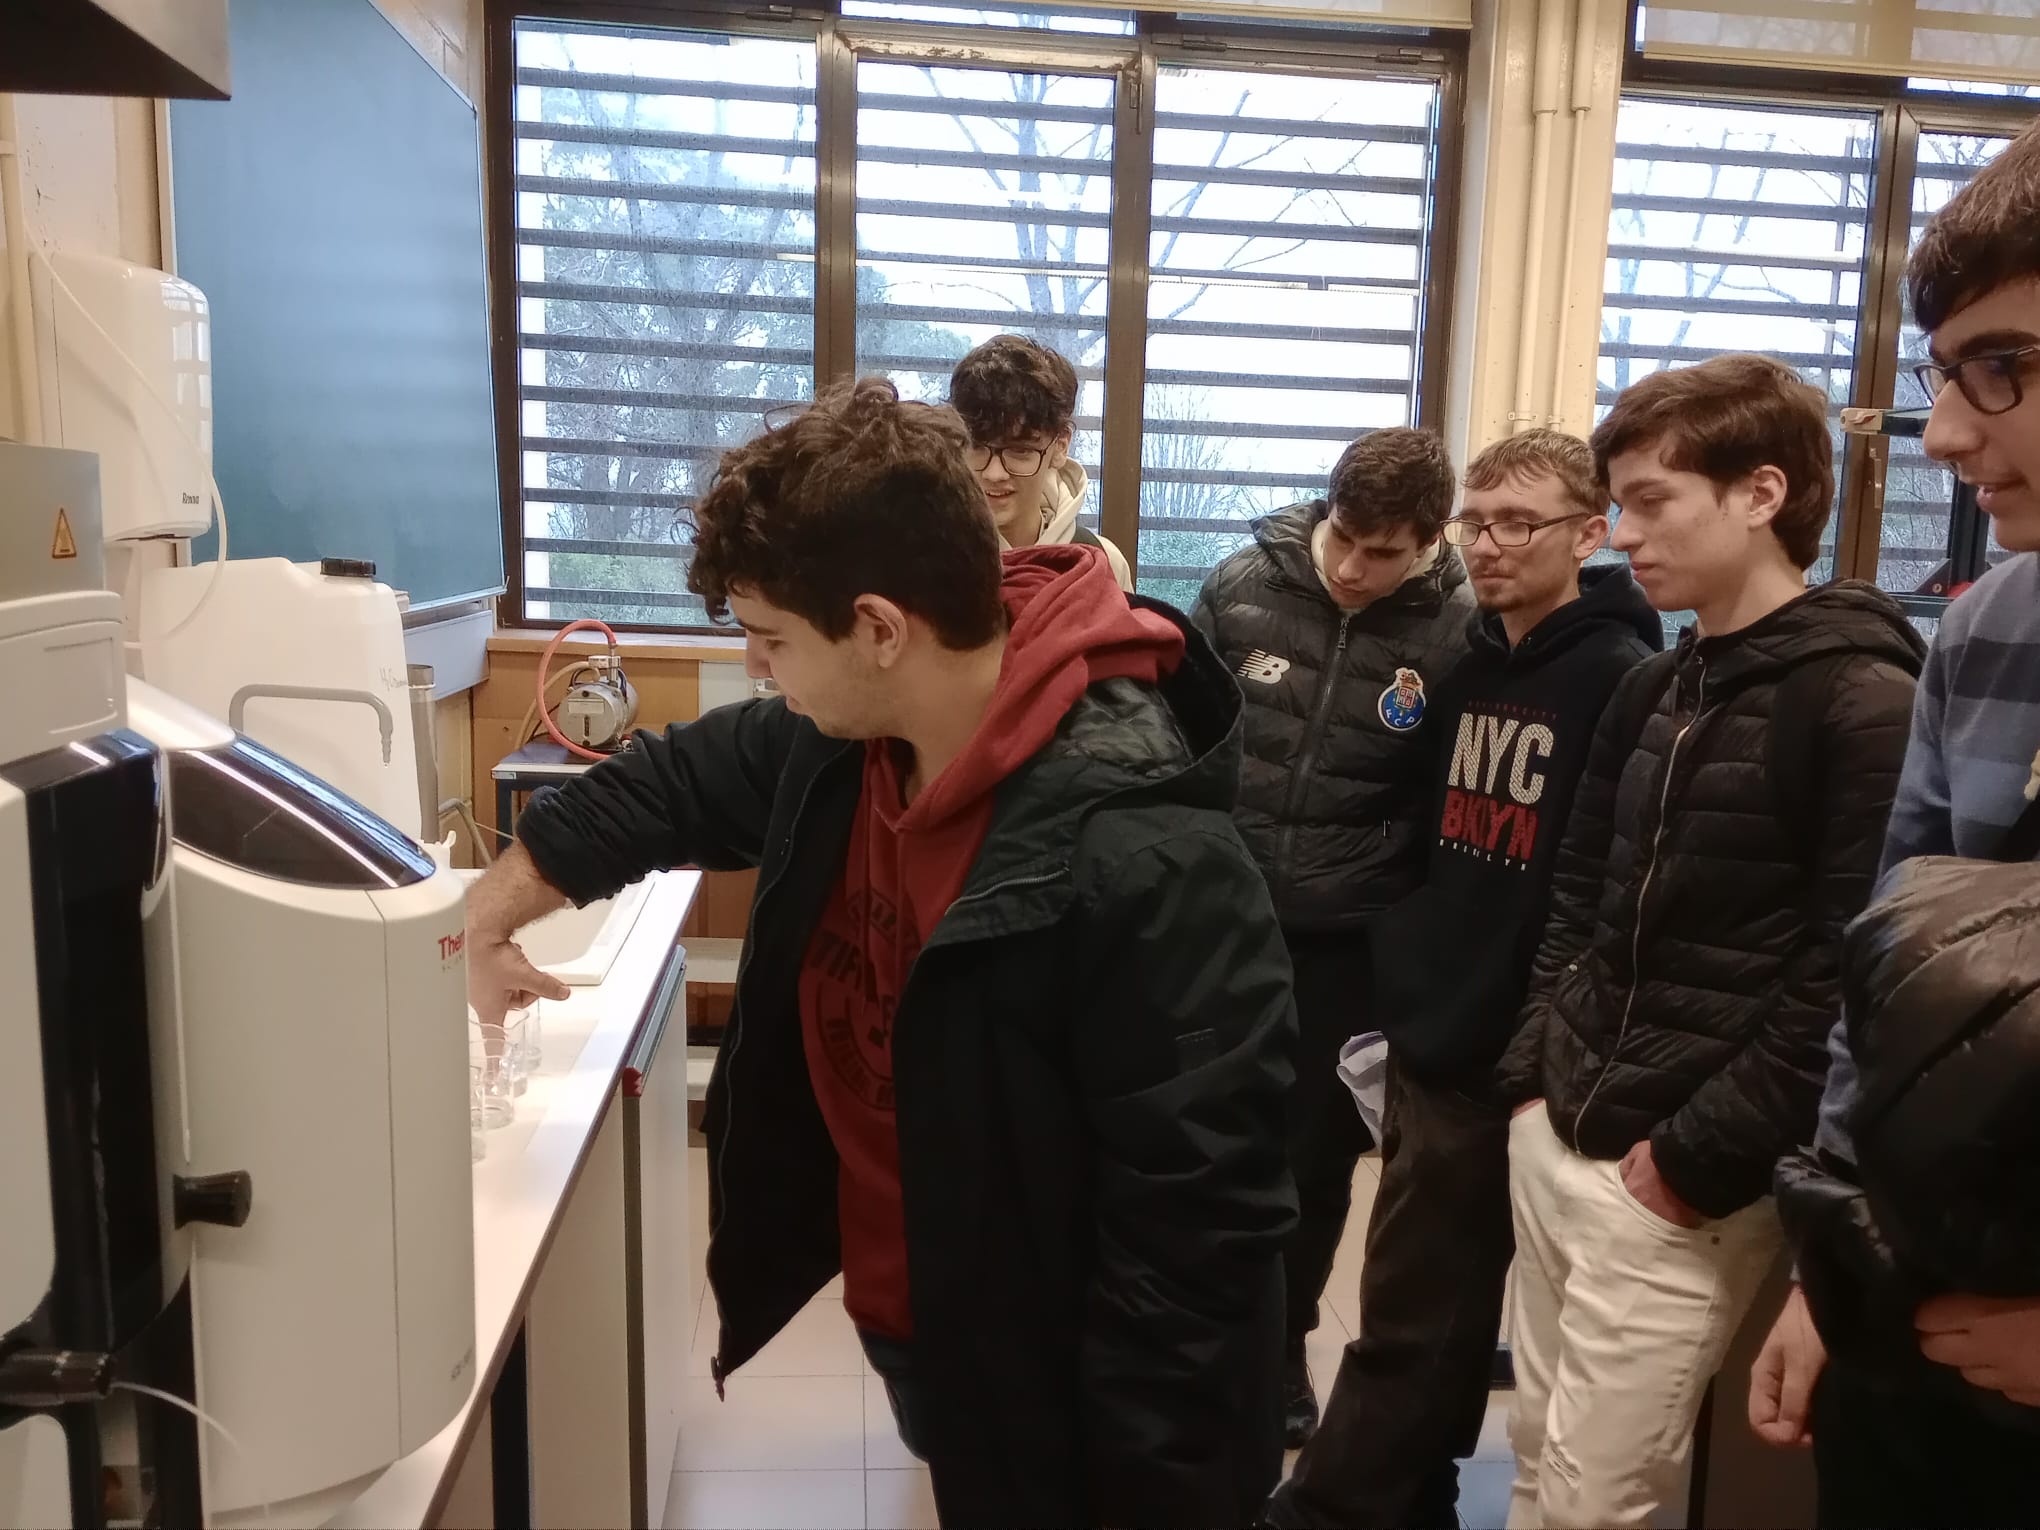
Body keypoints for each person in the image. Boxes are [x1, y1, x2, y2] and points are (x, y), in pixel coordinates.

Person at [464, 379, 1298, 1528]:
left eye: (771, 641)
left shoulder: (1149, 859)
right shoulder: (846, 739)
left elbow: (1198, 1249)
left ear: (879, 629)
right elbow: (673, 783)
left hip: (1063, 1387)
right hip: (930, 1318)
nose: (760, 670)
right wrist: (491, 911)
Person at [1493, 353, 1925, 1529]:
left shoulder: (1863, 701)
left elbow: (1850, 976)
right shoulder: (1656, 686)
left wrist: (1690, 1160)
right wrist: (1533, 1076)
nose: (1622, 534)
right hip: (1563, 1127)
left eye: (1650, 501)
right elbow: (1578, 894)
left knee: (1598, 1499)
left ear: (1762, 493)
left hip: (1680, 1179)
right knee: (1535, 1454)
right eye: (1617, 503)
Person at [1266, 430, 1660, 1529]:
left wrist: (1543, 1040)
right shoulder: (1470, 663)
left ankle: (1329, 1508)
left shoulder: (1620, 678)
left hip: (1525, 1043)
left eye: (1519, 523)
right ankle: (1414, 1494)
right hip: (1436, 1024)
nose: (1489, 545)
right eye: (1475, 523)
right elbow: (1427, 834)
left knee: (1414, 1306)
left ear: (1589, 533)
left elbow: (1602, 885)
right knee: (1431, 1298)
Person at [1749, 118, 2040, 1528]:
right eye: (1944, 374)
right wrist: (1835, 1261)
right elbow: (1889, 977)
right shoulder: (1986, 631)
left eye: (2004, 368)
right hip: (1924, 1332)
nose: (1946, 433)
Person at [1191, 426, 1476, 1448]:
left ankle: (1280, 1354)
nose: (1354, 567)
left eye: (1383, 552)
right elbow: (1177, 742)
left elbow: (1445, 803)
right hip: (1220, 922)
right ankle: (1196, 1343)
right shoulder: (1241, 587)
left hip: (1350, 940)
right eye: (1344, 537)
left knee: (1312, 1165)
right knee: (1199, 1143)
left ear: (1430, 540)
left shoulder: (1460, 627)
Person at [948, 334, 1133, 590]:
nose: (994, 473)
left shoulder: (1103, 564)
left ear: (1061, 445)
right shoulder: (923, 560)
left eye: (1020, 450)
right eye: (977, 446)